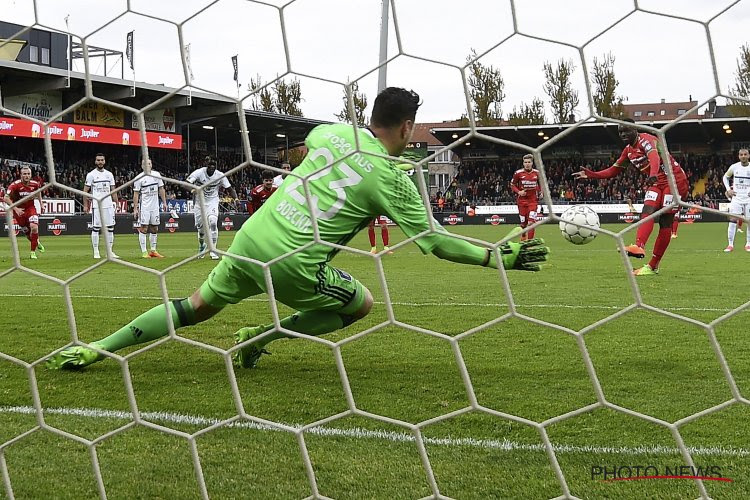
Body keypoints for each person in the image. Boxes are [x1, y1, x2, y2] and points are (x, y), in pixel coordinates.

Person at [46, 87, 549, 371]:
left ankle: (97, 348)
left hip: (250, 239)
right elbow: (435, 242)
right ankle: (258, 339)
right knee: (361, 305)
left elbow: (312, 139)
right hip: (294, 261)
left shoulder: (331, 132)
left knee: (194, 307)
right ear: (404, 127)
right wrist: (494, 256)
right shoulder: (390, 180)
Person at [573, 119, 689, 275]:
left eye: (626, 131)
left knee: (665, 220)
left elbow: (654, 157)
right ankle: (639, 246)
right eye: (620, 132)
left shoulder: (646, 139)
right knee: (648, 208)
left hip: (674, 181)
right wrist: (592, 175)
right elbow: (613, 170)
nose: (623, 134)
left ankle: (653, 266)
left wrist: (653, 174)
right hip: (656, 182)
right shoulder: (628, 151)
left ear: (635, 129)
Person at [186, 156, 239, 260]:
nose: (211, 167)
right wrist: (192, 190)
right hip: (199, 203)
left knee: (213, 222)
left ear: (216, 166)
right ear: (206, 164)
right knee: (201, 230)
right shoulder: (198, 173)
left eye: (213, 165)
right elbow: (186, 184)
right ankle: (202, 246)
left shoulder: (220, 175)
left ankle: (213, 250)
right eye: (209, 165)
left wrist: (236, 199)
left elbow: (229, 188)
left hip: (212, 201)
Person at [4, 166, 45, 259]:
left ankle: (32, 252)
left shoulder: (35, 184)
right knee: (28, 233)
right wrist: (16, 209)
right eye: (25, 174)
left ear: (31, 175)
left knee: (34, 227)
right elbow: (6, 198)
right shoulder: (14, 185)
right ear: (21, 175)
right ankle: (37, 242)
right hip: (19, 211)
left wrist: (41, 204)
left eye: (28, 174)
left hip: (31, 208)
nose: (27, 176)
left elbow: (38, 192)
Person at [84, 153, 118, 259]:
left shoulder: (109, 174)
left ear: (104, 161)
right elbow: (85, 191)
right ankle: (96, 251)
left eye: (102, 160)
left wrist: (116, 202)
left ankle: (110, 252)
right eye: (98, 160)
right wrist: (85, 206)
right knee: (96, 228)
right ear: (95, 161)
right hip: (97, 205)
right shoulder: (91, 175)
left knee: (110, 228)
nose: (100, 162)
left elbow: (113, 190)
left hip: (108, 205)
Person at [133, 159, 168, 258]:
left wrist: (164, 202)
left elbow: (161, 189)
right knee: (144, 228)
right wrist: (135, 208)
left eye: (149, 163)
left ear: (151, 165)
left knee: (154, 228)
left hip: (155, 206)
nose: (147, 165)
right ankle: (144, 252)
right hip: (144, 207)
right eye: (145, 164)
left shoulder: (156, 175)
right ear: (142, 166)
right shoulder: (139, 178)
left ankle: (153, 250)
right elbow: (136, 194)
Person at [722, 148, 750, 252]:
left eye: (745, 154)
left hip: (748, 199)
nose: (743, 156)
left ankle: (748, 244)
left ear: (748, 156)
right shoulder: (734, 167)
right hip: (736, 199)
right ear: (739, 156)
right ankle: (730, 245)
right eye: (741, 154)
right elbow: (725, 177)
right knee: (732, 221)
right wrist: (728, 189)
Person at [511, 154, 541, 241]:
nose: (527, 164)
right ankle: (523, 234)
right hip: (522, 201)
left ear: (532, 163)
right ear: (523, 163)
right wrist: (519, 192)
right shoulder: (518, 173)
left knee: (531, 222)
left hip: (533, 201)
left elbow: (541, 183)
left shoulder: (537, 173)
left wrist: (541, 192)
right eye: (525, 162)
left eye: (529, 162)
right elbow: (512, 185)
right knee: (523, 223)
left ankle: (529, 243)